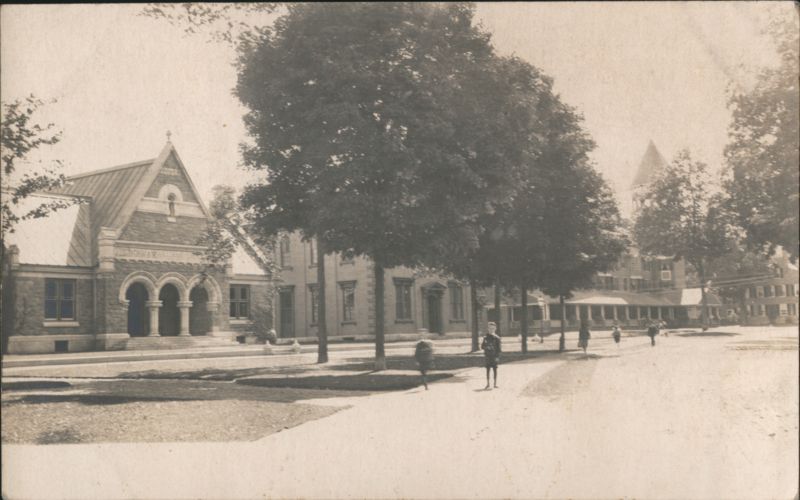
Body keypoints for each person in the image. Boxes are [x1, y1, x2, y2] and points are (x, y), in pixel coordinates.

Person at [481, 322, 501, 389]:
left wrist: (497, 357)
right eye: (490, 328)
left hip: (494, 356)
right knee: (488, 370)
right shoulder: (485, 337)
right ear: (488, 329)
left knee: (495, 370)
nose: (491, 330)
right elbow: (482, 346)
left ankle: (495, 384)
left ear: (495, 329)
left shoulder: (497, 338)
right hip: (488, 356)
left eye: (493, 328)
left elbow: (499, 349)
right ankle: (488, 383)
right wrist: (486, 347)